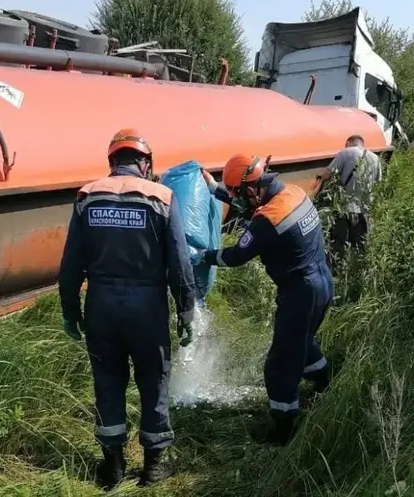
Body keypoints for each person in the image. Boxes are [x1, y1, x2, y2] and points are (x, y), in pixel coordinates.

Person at [58, 128, 197, 489]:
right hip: (147, 307)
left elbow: (71, 262)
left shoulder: (87, 196)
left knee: (107, 382)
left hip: (101, 305)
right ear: (145, 163)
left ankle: (114, 467)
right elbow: (179, 262)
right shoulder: (162, 197)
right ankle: (153, 467)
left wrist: (70, 311)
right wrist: (186, 311)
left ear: (112, 161)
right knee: (154, 381)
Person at [195, 155, 334, 446]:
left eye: (237, 192)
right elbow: (251, 209)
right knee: (304, 340)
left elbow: (235, 256)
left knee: (280, 363)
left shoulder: (268, 218)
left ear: (252, 188)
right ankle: (325, 385)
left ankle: (282, 432)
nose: (236, 198)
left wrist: (205, 256)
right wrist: (216, 188)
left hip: (300, 293)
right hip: (323, 283)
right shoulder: (292, 193)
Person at [316, 134, 383, 264]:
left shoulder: (345, 153)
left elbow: (328, 174)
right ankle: (357, 271)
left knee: (339, 244)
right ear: (362, 144)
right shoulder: (375, 158)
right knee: (360, 245)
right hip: (365, 209)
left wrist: (318, 175)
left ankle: (337, 272)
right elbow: (378, 183)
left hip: (345, 208)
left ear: (348, 143)